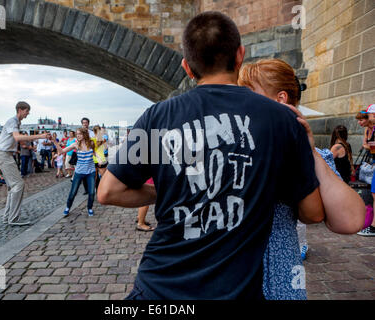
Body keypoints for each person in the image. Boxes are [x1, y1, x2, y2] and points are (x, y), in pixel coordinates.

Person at [98, 11, 326, 300]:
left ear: (187, 67)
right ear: (240, 55)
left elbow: (108, 192)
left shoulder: (157, 116)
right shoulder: (281, 120)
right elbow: (313, 213)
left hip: (158, 288)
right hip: (234, 291)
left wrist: (165, 193)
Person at [238, 58, 365, 299]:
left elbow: (350, 221)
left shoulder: (314, 156)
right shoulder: (238, 147)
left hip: (280, 280)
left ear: (281, 100)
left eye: (249, 94)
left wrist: (309, 150)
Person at [0, 101, 50, 226]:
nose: (28, 113)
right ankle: (13, 219)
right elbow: (17, 138)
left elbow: (16, 140)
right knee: (18, 185)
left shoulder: (16, 122)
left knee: (12, 187)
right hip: (4, 155)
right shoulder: (12, 121)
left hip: (5, 155)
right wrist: (39, 136)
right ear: (20, 110)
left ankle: (7, 217)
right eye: (27, 111)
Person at [55, 128, 96, 217]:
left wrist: (100, 159)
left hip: (90, 172)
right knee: (73, 192)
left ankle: (89, 208)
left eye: (80, 134)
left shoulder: (91, 143)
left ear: (85, 134)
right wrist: (54, 142)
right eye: (77, 134)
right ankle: (67, 208)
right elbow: (62, 151)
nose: (78, 136)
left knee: (92, 192)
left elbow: (94, 154)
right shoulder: (76, 145)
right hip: (79, 172)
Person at [358, 104, 375, 236]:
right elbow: (365, 144)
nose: (360, 122)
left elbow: (368, 146)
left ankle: (373, 227)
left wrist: (370, 146)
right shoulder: (370, 130)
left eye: (368, 115)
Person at [93, 125, 108, 190]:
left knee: (96, 177)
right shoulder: (103, 139)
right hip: (101, 159)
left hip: (95, 159)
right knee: (104, 177)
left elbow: (92, 150)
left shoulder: (92, 139)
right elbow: (106, 148)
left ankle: (98, 190)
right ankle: (104, 190)